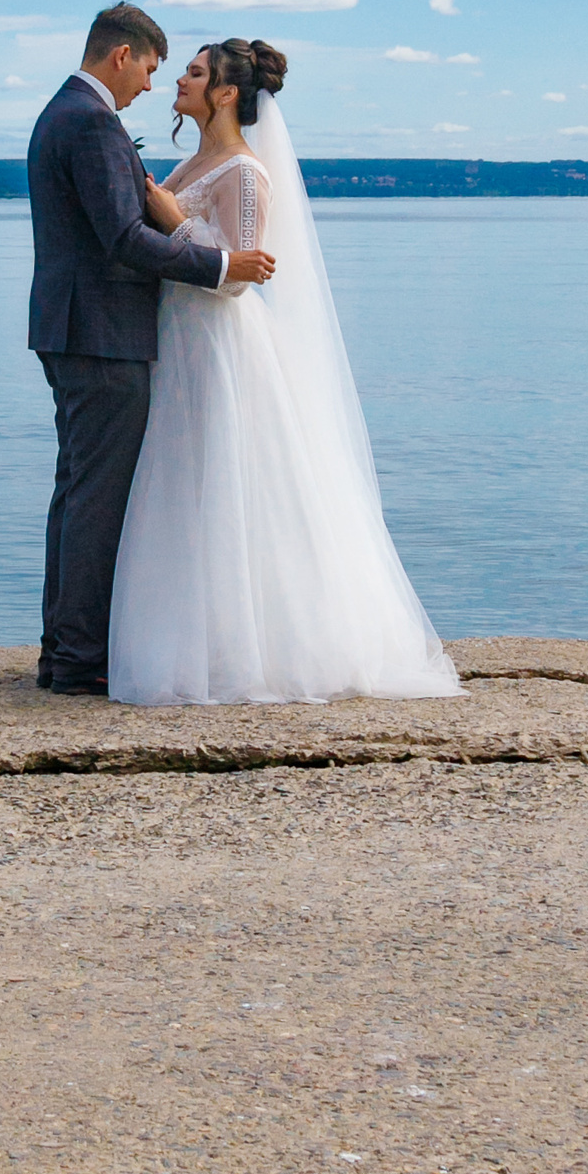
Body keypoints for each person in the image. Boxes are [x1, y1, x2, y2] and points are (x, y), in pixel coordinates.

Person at [107, 37, 459, 706]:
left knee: (225, 486)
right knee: (184, 487)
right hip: (178, 339)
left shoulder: (245, 171)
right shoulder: (195, 159)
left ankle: (244, 651)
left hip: (218, 345)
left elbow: (241, 273)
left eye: (195, 71)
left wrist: (173, 217)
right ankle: (191, 640)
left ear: (227, 93)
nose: (179, 78)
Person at [27, 3, 276, 695]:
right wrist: (225, 268)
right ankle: (77, 657)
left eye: (185, 73)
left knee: (79, 493)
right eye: (151, 68)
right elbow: (124, 239)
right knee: (96, 499)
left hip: (86, 329)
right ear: (121, 55)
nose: (153, 84)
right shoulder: (92, 121)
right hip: (102, 334)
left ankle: (65, 649)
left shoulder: (65, 113)